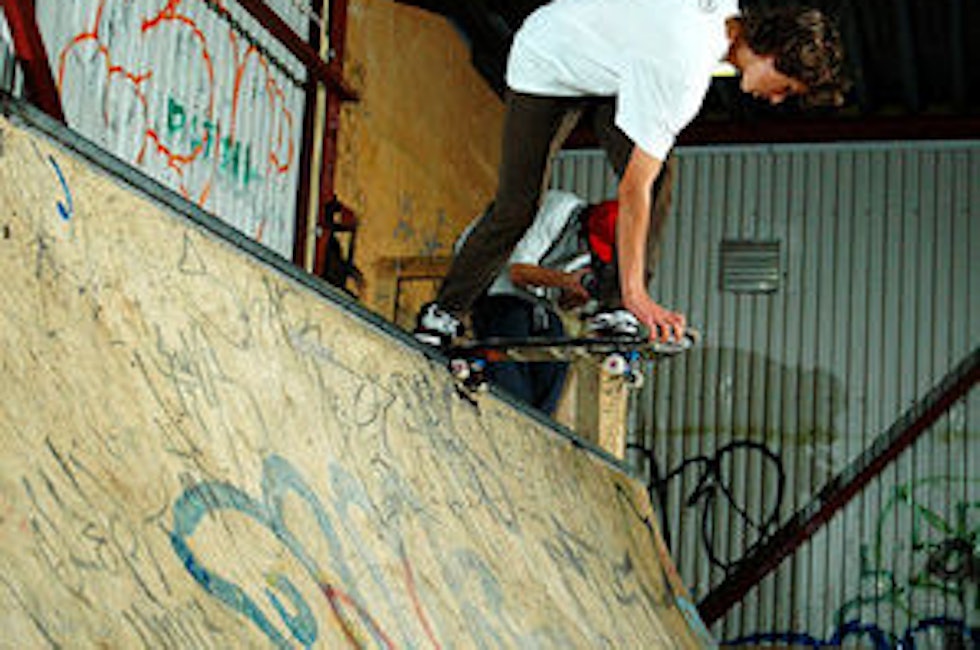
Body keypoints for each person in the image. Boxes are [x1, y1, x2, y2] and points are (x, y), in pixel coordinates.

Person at [414, 0, 846, 350]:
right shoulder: (684, 70)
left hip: (611, 73)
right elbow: (632, 188)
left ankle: (612, 306)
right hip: (548, 61)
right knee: (518, 206)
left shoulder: (721, 13)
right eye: (785, 88)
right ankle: (445, 312)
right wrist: (638, 293)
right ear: (774, 54)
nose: (775, 101)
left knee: (661, 175)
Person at [461, 165, 673, 414]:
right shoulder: (555, 208)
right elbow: (517, 271)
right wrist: (569, 281)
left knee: (556, 345)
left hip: (530, 298)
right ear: (586, 226)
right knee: (512, 327)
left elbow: (562, 301)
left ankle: (537, 422)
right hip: (487, 272)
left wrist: (582, 298)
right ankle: (509, 402)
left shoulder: (595, 251)